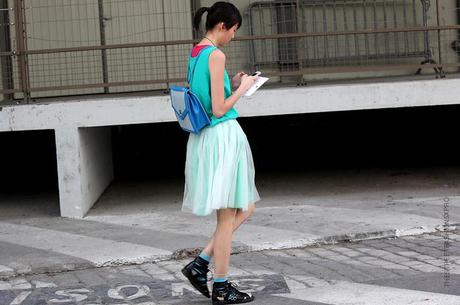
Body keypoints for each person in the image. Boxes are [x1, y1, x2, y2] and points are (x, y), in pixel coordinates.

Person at [180, 2, 261, 304]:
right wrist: (246, 87)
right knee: (228, 217)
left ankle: (200, 264)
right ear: (223, 26)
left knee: (245, 208)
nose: (234, 37)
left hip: (207, 139)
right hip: (221, 138)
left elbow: (206, 96)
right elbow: (218, 109)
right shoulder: (216, 54)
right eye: (234, 30)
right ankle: (222, 286)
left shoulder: (198, 52)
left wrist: (234, 83)